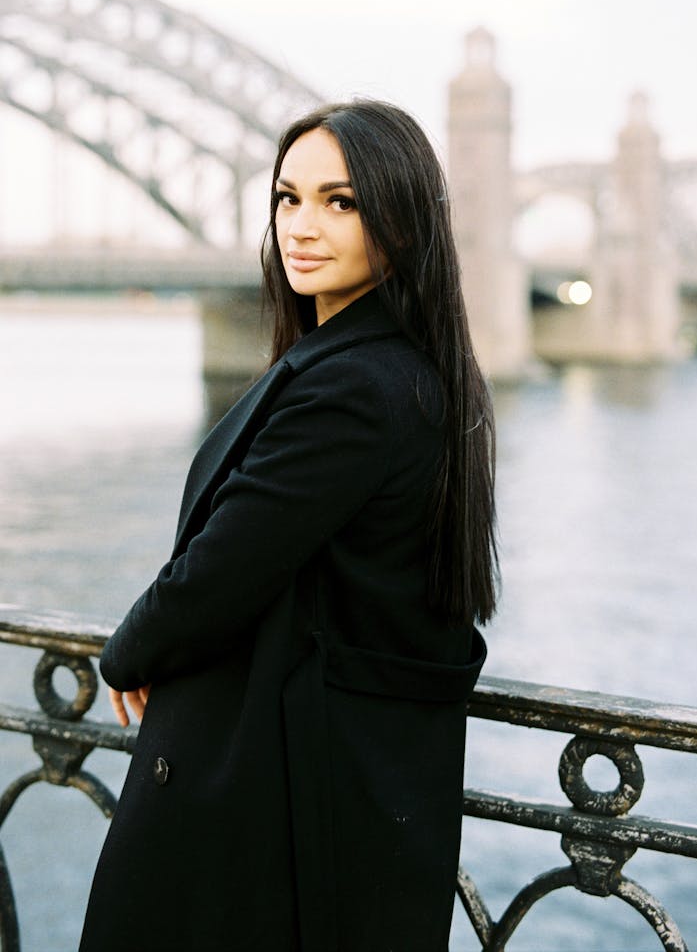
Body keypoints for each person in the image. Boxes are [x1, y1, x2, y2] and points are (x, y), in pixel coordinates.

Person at [79, 100, 497, 952]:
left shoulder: (355, 388)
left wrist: (126, 652)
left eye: (341, 202)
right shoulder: (392, 370)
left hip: (268, 806)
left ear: (405, 222)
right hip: (320, 785)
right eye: (287, 198)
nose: (303, 227)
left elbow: (222, 565)